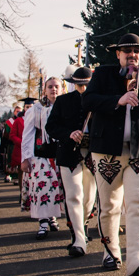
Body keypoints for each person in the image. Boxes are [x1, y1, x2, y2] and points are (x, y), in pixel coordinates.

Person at [83, 33, 139, 276]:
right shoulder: (103, 74)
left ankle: (135, 259)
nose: (132, 54)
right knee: (109, 206)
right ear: (118, 54)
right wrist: (118, 100)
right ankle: (111, 252)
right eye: (127, 51)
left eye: (136, 51)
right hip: (107, 151)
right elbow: (87, 101)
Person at [45, 66, 97, 257]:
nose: (83, 88)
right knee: (74, 195)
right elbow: (51, 127)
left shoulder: (97, 101)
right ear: (73, 84)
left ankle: (82, 225)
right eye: (79, 85)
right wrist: (69, 133)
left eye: (86, 85)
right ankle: (78, 239)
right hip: (69, 154)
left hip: (92, 154)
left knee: (89, 199)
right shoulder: (63, 101)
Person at [20, 80, 66, 240]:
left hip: (61, 153)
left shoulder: (65, 106)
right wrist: (25, 158)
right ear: (44, 90)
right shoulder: (36, 109)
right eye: (50, 87)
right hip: (40, 154)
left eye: (56, 86)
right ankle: (43, 222)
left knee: (57, 188)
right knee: (43, 188)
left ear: (62, 89)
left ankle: (52, 217)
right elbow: (27, 134)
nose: (53, 89)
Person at [8, 105, 25, 186]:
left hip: (33, 150)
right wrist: (21, 142)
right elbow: (12, 135)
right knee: (21, 172)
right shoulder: (17, 120)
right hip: (19, 148)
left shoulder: (35, 118)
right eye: (27, 107)